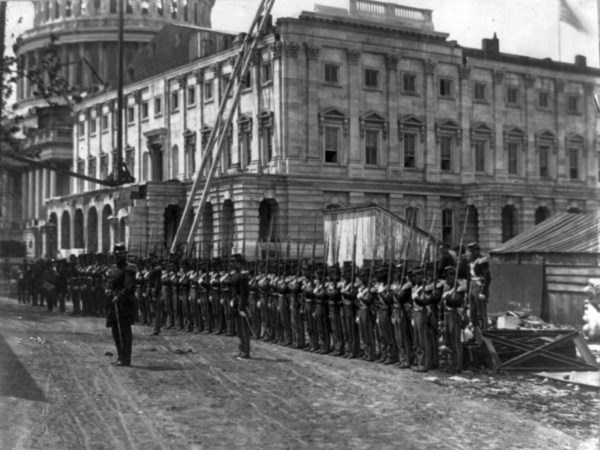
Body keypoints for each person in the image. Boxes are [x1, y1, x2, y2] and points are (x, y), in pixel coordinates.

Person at [105, 243, 137, 367]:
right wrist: (107, 290)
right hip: (113, 304)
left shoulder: (129, 268)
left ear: (125, 254)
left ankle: (126, 359)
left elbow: (129, 287)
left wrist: (118, 296)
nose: (118, 256)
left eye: (120, 253)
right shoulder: (113, 268)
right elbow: (109, 283)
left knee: (124, 332)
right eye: (116, 254)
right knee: (115, 332)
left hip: (124, 305)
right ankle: (120, 356)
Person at [466, 243, 491, 330]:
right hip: (472, 285)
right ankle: (475, 330)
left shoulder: (482, 261)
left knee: (481, 311)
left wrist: (483, 291)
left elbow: (487, 277)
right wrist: (467, 291)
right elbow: (469, 277)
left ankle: (484, 330)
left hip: (479, 285)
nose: (469, 253)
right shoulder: (471, 261)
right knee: (472, 311)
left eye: (471, 251)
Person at [230, 254, 251, 359]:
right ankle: (241, 349)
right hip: (236, 302)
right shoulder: (237, 274)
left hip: (241, 304)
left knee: (244, 329)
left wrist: (242, 308)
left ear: (239, 263)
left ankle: (245, 352)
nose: (231, 264)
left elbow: (244, 293)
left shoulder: (243, 276)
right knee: (239, 329)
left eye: (233, 261)